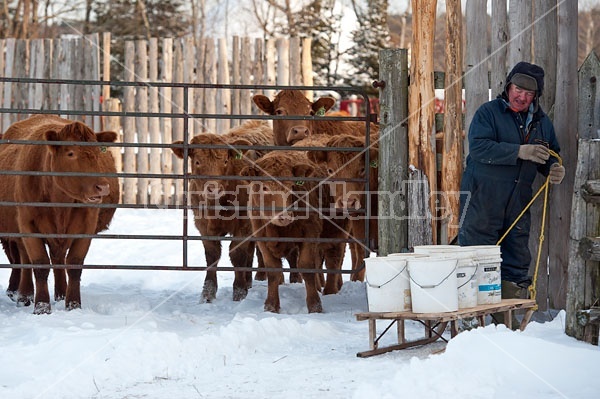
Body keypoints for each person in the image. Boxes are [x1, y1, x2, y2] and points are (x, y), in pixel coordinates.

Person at [458, 61, 566, 302]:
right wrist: (519, 151)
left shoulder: (542, 123)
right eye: (518, 90)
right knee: (477, 256)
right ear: (508, 87)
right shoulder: (489, 113)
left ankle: (505, 319)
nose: (522, 97)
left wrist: (553, 169)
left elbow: (550, 154)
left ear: (536, 96)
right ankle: (471, 319)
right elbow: (478, 148)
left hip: (518, 203)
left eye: (529, 93)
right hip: (482, 199)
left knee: (515, 258)